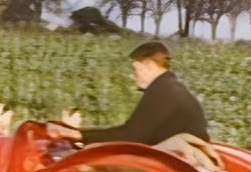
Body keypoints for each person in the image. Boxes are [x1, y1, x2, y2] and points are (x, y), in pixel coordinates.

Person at [47, 41, 210, 147]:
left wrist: (78, 135)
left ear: (149, 65)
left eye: (136, 69)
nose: (133, 76)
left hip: (180, 154)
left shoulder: (164, 91)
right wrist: (82, 135)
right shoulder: (169, 87)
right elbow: (133, 133)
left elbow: (130, 137)